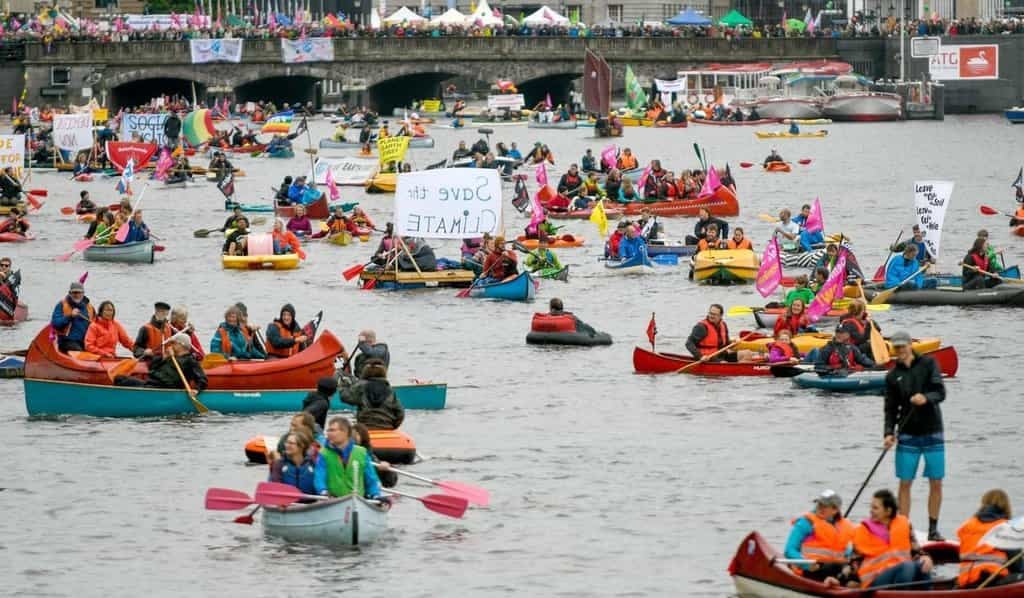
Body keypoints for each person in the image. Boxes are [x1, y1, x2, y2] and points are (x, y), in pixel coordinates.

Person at [884, 331, 946, 541]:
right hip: (907, 434)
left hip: (932, 432)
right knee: (905, 482)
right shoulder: (892, 376)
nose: (900, 351)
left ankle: (933, 528)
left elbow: (940, 392)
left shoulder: (929, 364)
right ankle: (904, 529)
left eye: (903, 347)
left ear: (911, 345)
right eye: (897, 348)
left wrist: (926, 398)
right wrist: (888, 433)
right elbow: (890, 409)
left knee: (936, 482)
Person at [852, 489, 933, 588]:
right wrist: (849, 580)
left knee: (923, 565)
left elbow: (916, 551)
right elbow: (854, 561)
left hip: (902, 573)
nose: (871, 511)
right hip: (874, 579)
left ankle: (928, 593)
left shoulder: (904, 524)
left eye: (875, 508)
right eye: (871, 507)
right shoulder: (863, 530)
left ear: (888, 511)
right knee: (907, 566)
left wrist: (925, 558)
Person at [956, 489, 1024, 588]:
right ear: (1006, 506)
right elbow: (1017, 565)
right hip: (991, 579)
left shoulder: (967, 525)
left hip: (966, 580)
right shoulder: (1004, 527)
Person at [784, 489, 856, 583]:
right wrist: (806, 565)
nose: (820, 508)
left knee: (853, 570)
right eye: (819, 504)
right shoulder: (806, 522)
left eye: (825, 506)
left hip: (836, 568)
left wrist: (850, 557)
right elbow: (789, 550)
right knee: (835, 567)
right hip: (811, 568)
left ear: (835, 510)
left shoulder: (846, 526)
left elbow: (849, 551)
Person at [313, 417, 386, 501]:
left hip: (358, 501)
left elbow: (371, 479)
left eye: (332, 430)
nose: (328, 433)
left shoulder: (361, 452)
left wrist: (375, 495)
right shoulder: (323, 453)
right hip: (332, 500)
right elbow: (319, 476)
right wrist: (323, 491)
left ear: (345, 432)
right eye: (328, 430)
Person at [114, 333, 208, 392]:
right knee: (119, 378)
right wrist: (163, 357)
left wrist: (196, 390)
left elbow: (202, 379)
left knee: (122, 380)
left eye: (173, 343)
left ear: (181, 345)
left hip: (163, 389)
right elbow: (152, 367)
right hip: (151, 384)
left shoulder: (190, 361)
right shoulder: (169, 356)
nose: (171, 346)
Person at [339, 359, 404, 430]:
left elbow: (345, 397)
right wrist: (393, 427)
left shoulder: (360, 386)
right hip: (387, 426)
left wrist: (343, 385)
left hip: (365, 427)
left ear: (365, 372)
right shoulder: (389, 389)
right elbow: (400, 413)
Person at [50, 281, 95, 353]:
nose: (77, 295)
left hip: (85, 342)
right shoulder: (61, 305)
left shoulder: (90, 307)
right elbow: (55, 324)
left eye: (79, 292)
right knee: (79, 352)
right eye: (74, 292)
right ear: (70, 293)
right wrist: (70, 316)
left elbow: (95, 326)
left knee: (94, 352)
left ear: (83, 293)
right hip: (66, 341)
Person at [269, 430, 317, 496]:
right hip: (286, 503)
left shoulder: (312, 463)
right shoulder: (279, 464)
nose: (286, 445)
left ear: (301, 446)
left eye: (291, 443)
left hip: (311, 502)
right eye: (286, 442)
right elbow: (276, 484)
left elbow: (319, 483)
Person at [353, 423, 398, 488]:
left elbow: (390, 482)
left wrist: (386, 471)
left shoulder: (369, 456)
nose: (352, 437)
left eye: (356, 434)